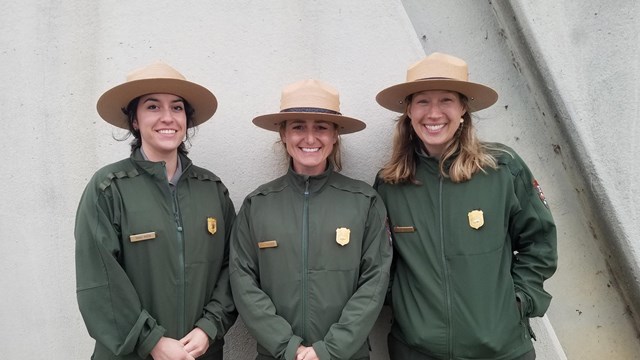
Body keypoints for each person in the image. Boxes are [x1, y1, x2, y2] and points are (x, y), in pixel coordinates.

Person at [373, 52, 557, 360]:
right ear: (408, 111)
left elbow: (540, 243)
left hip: (501, 350)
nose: (434, 113)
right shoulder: (390, 183)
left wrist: (518, 302)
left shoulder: (501, 169)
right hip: (416, 349)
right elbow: (380, 261)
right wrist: (405, 305)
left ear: (462, 110)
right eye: (422, 101)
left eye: (446, 100)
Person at [75, 62, 237, 360]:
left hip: (200, 353)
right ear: (134, 121)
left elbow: (234, 267)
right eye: (152, 107)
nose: (167, 118)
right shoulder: (108, 188)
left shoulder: (212, 189)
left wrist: (209, 327)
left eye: (177, 108)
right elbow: (99, 282)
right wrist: (151, 341)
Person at [230, 79, 392, 360]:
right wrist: (288, 347)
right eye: (298, 127)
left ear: (335, 134)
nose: (309, 138)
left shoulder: (364, 201)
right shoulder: (258, 204)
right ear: (283, 134)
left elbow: (375, 281)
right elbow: (243, 281)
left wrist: (329, 350)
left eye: (321, 127)